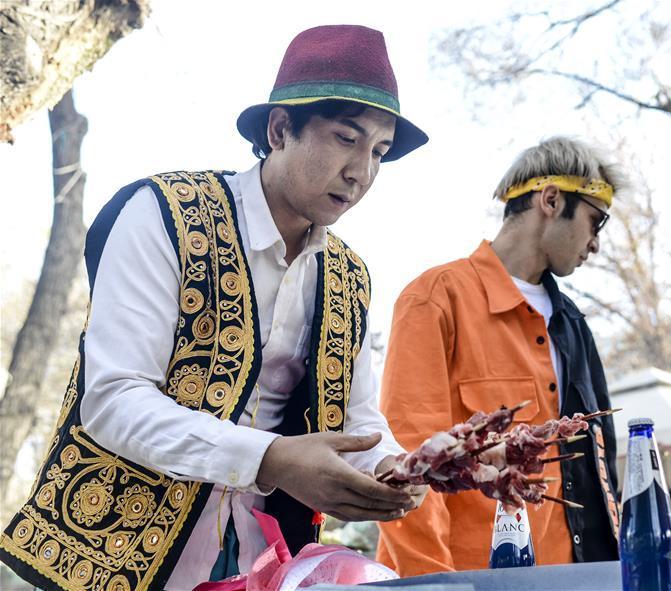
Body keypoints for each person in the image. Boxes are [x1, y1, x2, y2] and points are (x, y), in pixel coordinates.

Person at [0, 25, 428, 591]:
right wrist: (270, 457)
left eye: (378, 152)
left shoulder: (350, 276)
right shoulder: (162, 214)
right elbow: (114, 398)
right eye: (346, 138)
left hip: (270, 560)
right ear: (280, 129)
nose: (362, 172)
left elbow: (359, 421)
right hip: (111, 552)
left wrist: (403, 468)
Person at [377, 137, 622, 575]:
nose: (595, 243)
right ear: (551, 200)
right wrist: (433, 586)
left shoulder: (573, 325)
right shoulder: (436, 298)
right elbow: (409, 461)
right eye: (595, 221)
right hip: (467, 581)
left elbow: (601, 477)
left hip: (574, 580)